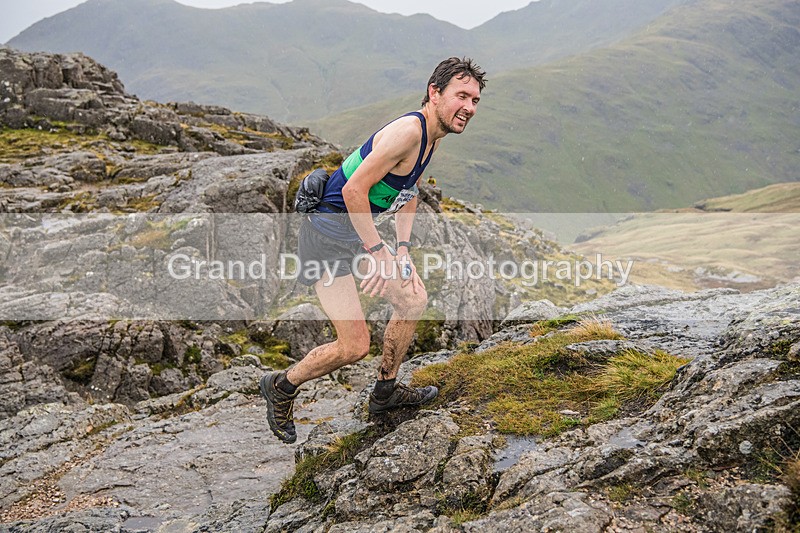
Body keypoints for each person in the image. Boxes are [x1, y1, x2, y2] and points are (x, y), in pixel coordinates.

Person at [260, 57, 486, 444]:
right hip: (326, 240)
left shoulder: (432, 136)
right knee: (354, 347)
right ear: (435, 93)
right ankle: (281, 385)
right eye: (461, 96)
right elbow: (352, 191)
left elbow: (409, 192)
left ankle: (385, 392)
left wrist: (401, 251)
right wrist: (379, 252)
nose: (469, 107)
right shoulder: (408, 132)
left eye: (476, 100)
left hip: (356, 236)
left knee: (413, 300)